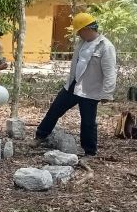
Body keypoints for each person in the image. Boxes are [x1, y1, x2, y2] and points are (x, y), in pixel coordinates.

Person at [35, 12, 117, 156]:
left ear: (87, 29)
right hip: (73, 85)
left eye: (79, 31)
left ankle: (89, 151)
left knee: (88, 122)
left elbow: (110, 72)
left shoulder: (106, 47)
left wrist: (107, 93)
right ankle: (40, 136)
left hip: (90, 89)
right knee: (55, 109)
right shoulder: (82, 43)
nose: (78, 34)